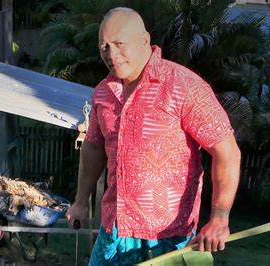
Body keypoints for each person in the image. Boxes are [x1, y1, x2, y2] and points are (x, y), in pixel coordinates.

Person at [66, 7, 241, 265]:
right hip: (114, 231)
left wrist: (219, 217)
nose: (111, 55)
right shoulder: (103, 93)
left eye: (119, 44)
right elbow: (93, 147)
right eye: (104, 47)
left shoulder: (184, 86)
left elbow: (227, 152)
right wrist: (81, 201)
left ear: (144, 40)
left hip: (168, 239)